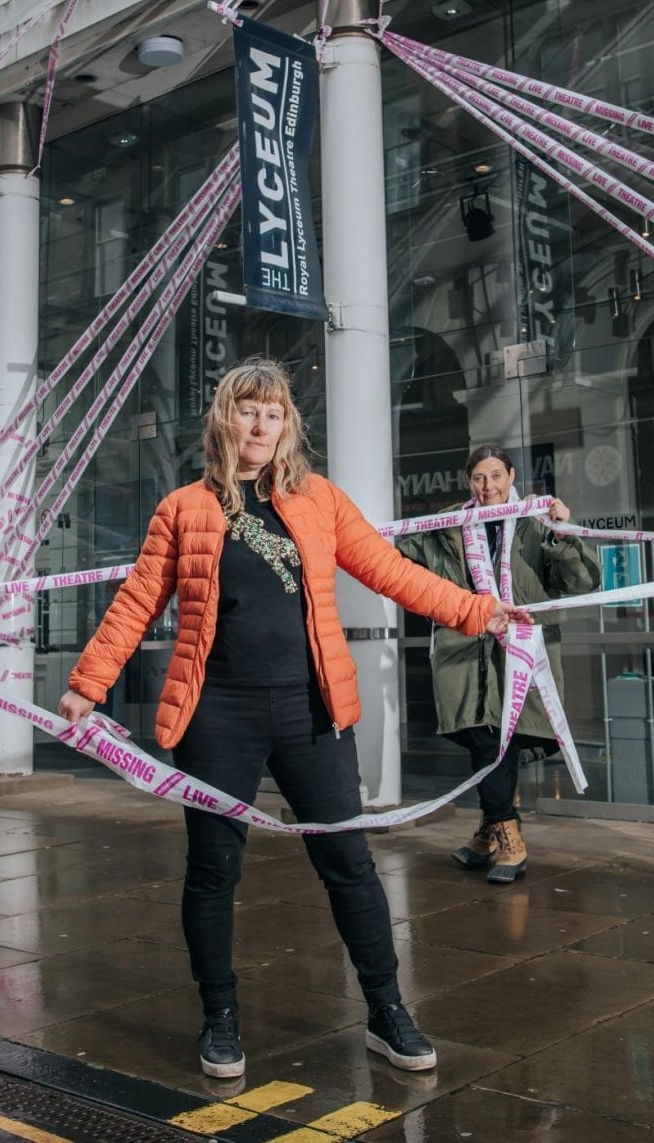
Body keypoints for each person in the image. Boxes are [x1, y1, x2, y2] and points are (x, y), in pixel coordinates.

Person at [60, 358, 529, 1080]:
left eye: (273, 413)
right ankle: (219, 1016)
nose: (259, 424)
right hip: (217, 715)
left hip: (311, 711)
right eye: (248, 410)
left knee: (349, 865)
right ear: (225, 418)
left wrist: (480, 610)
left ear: (287, 426)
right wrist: (87, 684)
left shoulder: (318, 501)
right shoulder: (184, 508)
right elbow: (135, 601)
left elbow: (391, 572)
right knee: (214, 869)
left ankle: (386, 1010)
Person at [397, 444, 598, 883]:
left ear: (511, 476)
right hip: (463, 650)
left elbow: (581, 580)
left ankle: (502, 835)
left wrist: (564, 533)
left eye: (495, 476)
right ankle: (498, 830)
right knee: (483, 736)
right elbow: (399, 556)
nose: (487, 487)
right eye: (478, 478)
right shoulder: (451, 523)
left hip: (521, 651)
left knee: (500, 739)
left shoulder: (534, 519)